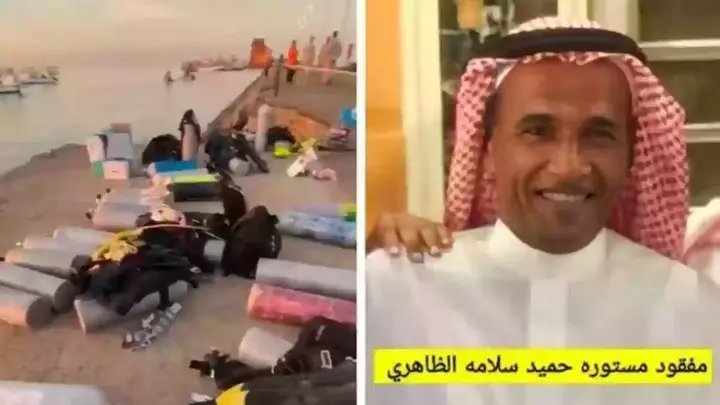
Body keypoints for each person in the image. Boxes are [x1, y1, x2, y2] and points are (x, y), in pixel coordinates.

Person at [367, 17, 720, 405]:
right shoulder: (399, 288)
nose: (569, 167)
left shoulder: (693, 309)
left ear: (631, 155)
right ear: (488, 148)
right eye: (537, 131)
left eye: (599, 135)